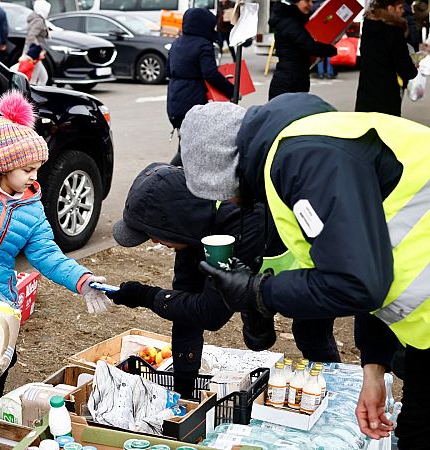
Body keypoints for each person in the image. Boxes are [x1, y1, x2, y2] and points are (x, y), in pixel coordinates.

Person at [177, 94, 430, 449]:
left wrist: (257, 292)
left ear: (224, 169)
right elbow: (374, 259)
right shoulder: (307, 142)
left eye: (224, 194)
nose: (233, 203)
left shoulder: (303, 159)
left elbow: (355, 281)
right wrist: (375, 366)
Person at [0, 91, 112, 450]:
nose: (35, 177)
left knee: (1, 359)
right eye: (27, 169)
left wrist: (82, 280)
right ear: (3, 165)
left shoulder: (31, 210)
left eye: (36, 170)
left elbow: (48, 255)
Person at [105, 163, 340, 398]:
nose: (154, 242)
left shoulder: (240, 219)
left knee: (311, 334)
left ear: (176, 221)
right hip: (256, 270)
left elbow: (211, 313)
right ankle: (256, 308)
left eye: (152, 234)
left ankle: (337, 397)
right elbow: (187, 311)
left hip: (313, 263)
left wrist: (144, 296)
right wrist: (183, 394)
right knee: (257, 338)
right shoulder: (189, 231)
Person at [166, 8, 234, 166]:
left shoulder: (177, 43)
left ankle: (180, 178)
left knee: (185, 139)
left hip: (175, 97)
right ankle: (169, 175)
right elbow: (210, 74)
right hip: (192, 98)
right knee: (188, 147)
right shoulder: (203, 45)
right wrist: (231, 90)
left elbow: (169, 70)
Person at [355, 0, 418, 116]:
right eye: (400, 8)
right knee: (386, 132)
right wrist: (413, 67)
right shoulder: (394, 32)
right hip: (386, 96)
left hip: (365, 95)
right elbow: (406, 70)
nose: (403, 11)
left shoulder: (368, 26)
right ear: (390, 8)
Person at [268, 0, 337, 100]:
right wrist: (331, 50)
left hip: (295, 77)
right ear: (295, 2)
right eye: (306, 1)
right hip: (289, 80)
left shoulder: (295, 19)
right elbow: (309, 45)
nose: (311, 4)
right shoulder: (290, 21)